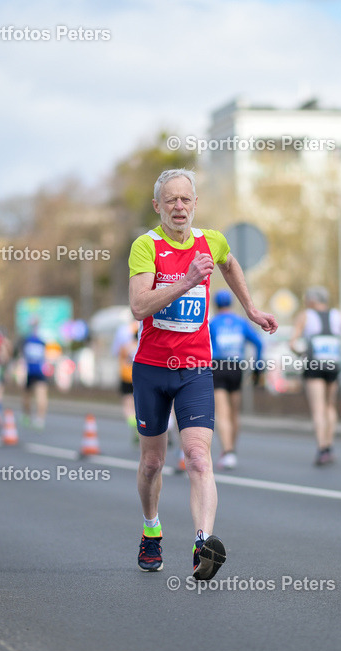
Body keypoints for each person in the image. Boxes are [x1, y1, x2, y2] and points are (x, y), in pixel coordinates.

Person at [129, 168, 277, 579]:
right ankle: (151, 530)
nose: (179, 207)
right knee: (152, 464)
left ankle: (202, 545)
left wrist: (251, 310)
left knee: (197, 457)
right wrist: (188, 280)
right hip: (152, 369)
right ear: (158, 206)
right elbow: (139, 307)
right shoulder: (146, 246)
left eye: (186, 200)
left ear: (195, 204)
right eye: (171, 200)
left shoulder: (211, 240)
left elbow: (230, 265)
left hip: (195, 368)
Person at [289, 286, 341, 466]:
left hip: (314, 366)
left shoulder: (305, 316)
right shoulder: (338, 315)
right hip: (333, 364)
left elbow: (292, 343)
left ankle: (321, 449)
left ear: (312, 301)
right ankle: (329, 445)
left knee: (318, 408)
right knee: (330, 406)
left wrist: (300, 353)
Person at [208, 289, 264, 470]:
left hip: (218, 367)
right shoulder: (241, 322)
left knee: (222, 412)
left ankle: (227, 451)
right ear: (231, 303)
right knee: (234, 412)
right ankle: (232, 450)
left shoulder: (212, 323)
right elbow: (259, 343)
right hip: (236, 368)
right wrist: (258, 368)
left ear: (216, 305)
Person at [112, 320, 140, 442]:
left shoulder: (125, 345)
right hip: (140, 376)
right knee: (140, 404)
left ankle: (134, 424)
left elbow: (115, 352)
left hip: (126, 376)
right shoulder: (142, 345)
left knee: (128, 403)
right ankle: (140, 424)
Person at [21, 324, 49, 429]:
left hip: (30, 372)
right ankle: (40, 419)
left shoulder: (26, 341)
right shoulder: (42, 342)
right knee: (40, 396)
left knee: (27, 396)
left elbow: (22, 357)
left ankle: (28, 416)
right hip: (39, 372)